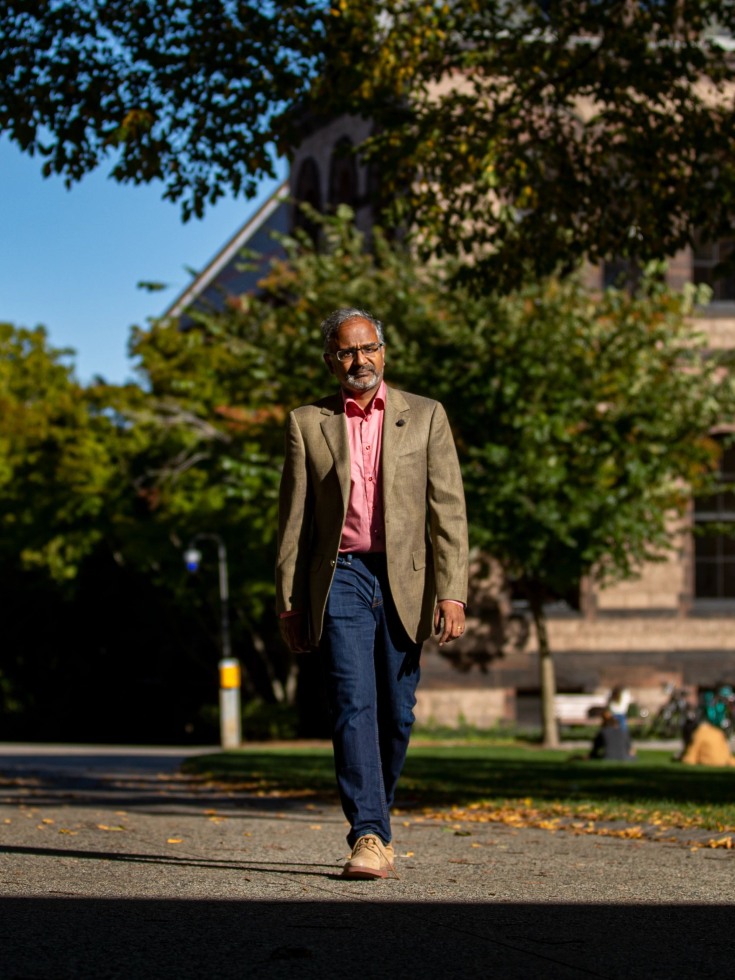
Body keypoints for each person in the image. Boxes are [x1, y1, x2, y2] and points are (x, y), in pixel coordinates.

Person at [276, 307, 469, 879]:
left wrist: (452, 591)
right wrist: (290, 600)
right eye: (345, 351)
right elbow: (293, 519)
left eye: (368, 349)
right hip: (342, 576)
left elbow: (448, 510)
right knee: (351, 700)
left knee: (397, 712)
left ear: (383, 351)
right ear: (329, 360)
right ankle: (367, 832)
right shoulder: (308, 422)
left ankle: (377, 819)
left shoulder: (427, 416)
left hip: (406, 578)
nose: (358, 361)